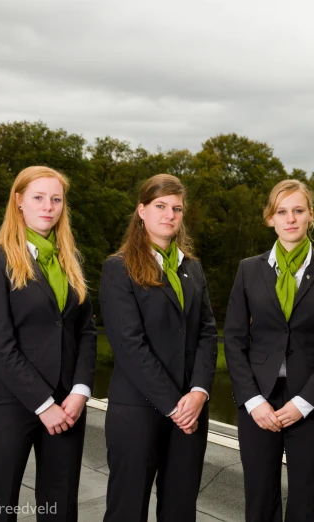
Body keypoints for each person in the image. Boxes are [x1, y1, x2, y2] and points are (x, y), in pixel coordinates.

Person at [0, 166, 97, 521]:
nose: (48, 206)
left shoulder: (70, 262)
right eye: (38, 197)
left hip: (68, 404)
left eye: (56, 199)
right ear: (19, 201)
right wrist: (43, 404)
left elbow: (85, 331)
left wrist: (80, 390)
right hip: (11, 402)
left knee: (60, 508)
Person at [224, 179, 314, 522]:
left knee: (308, 501)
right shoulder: (249, 269)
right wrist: (252, 401)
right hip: (259, 401)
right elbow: (234, 340)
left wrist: (304, 402)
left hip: (310, 400)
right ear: (270, 218)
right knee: (260, 498)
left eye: (298, 210)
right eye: (282, 211)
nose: (290, 218)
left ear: (311, 215)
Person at [99, 174, 217, 522]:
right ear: (142, 210)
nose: (169, 214)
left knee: (180, 509)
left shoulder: (191, 268)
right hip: (138, 410)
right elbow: (129, 344)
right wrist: (174, 406)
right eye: (160, 206)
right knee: (127, 509)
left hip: (191, 410)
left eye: (176, 208)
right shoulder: (118, 267)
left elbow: (207, 334)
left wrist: (198, 392)